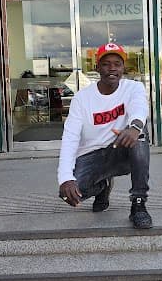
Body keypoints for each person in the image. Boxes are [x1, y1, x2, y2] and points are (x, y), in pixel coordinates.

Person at [57, 42, 152, 229]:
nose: (112, 68)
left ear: (123, 67)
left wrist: (134, 127)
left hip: (121, 150)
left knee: (140, 134)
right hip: (92, 156)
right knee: (70, 194)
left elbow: (139, 108)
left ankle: (138, 204)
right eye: (106, 63)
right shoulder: (82, 99)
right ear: (97, 67)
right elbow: (70, 138)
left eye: (117, 63)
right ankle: (103, 186)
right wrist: (65, 178)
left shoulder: (134, 88)